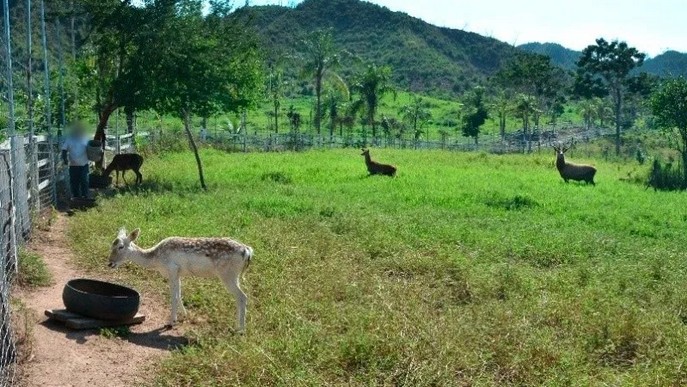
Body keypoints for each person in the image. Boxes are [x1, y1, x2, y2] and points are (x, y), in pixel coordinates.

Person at [61, 123, 90, 199]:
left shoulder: (85, 139)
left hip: (84, 164)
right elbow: (64, 149)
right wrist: (65, 159)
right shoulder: (69, 140)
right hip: (73, 165)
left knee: (84, 180)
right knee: (74, 182)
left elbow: (91, 149)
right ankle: (76, 197)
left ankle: (85, 196)